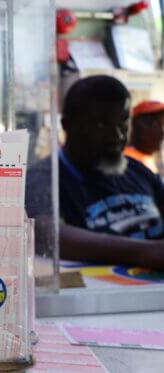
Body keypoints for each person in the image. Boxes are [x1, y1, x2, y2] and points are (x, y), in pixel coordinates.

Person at [27, 75, 164, 269]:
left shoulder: (138, 171)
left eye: (123, 122)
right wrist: (148, 253)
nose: (117, 135)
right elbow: (46, 234)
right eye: (101, 125)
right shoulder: (45, 177)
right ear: (68, 126)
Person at [124, 100, 164, 175]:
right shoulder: (129, 163)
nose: (161, 132)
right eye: (152, 123)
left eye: (162, 124)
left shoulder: (147, 158)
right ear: (133, 128)